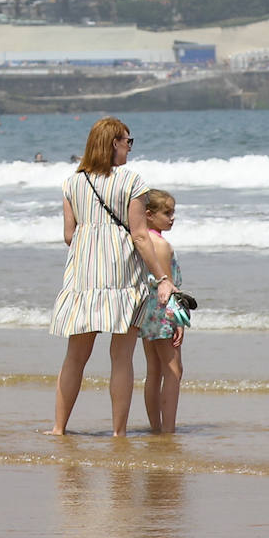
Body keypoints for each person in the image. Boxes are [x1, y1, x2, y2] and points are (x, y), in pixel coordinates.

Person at [47, 117, 171, 437]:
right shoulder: (131, 180)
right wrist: (162, 277)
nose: (130, 147)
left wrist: (93, 243)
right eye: (128, 141)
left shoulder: (73, 182)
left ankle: (59, 428)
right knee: (122, 358)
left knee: (75, 356)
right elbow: (141, 236)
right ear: (113, 143)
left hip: (84, 273)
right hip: (122, 274)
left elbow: (68, 235)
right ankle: (118, 433)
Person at [133, 189, 186, 433]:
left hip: (145, 312)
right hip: (163, 312)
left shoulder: (141, 241)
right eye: (167, 213)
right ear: (149, 214)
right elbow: (169, 287)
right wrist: (178, 322)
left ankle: (155, 426)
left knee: (153, 370)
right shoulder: (161, 245)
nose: (172, 218)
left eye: (173, 212)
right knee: (174, 370)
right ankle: (168, 429)